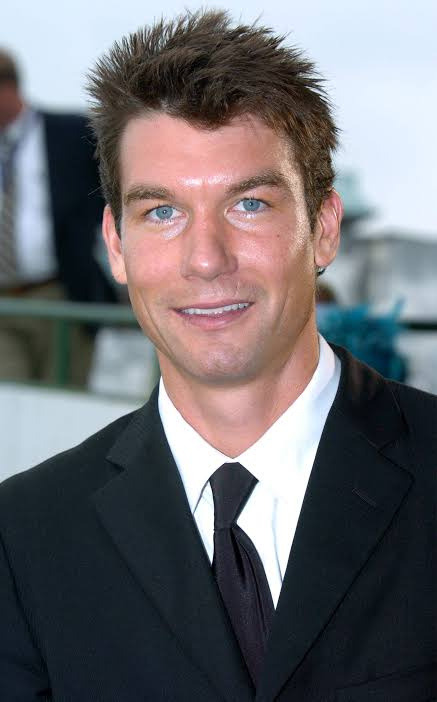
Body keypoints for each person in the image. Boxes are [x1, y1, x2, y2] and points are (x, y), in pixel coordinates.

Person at [0, 11, 435, 701]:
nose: (205, 259)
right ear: (116, 245)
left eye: (249, 204)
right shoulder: (24, 537)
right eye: (162, 212)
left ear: (323, 227)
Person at [0, 50, 116, 384]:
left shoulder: (72, 133)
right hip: (4, 303)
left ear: (8, 88)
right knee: (9, 402)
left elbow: (116, 195)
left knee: (61, 397)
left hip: (60, 293)